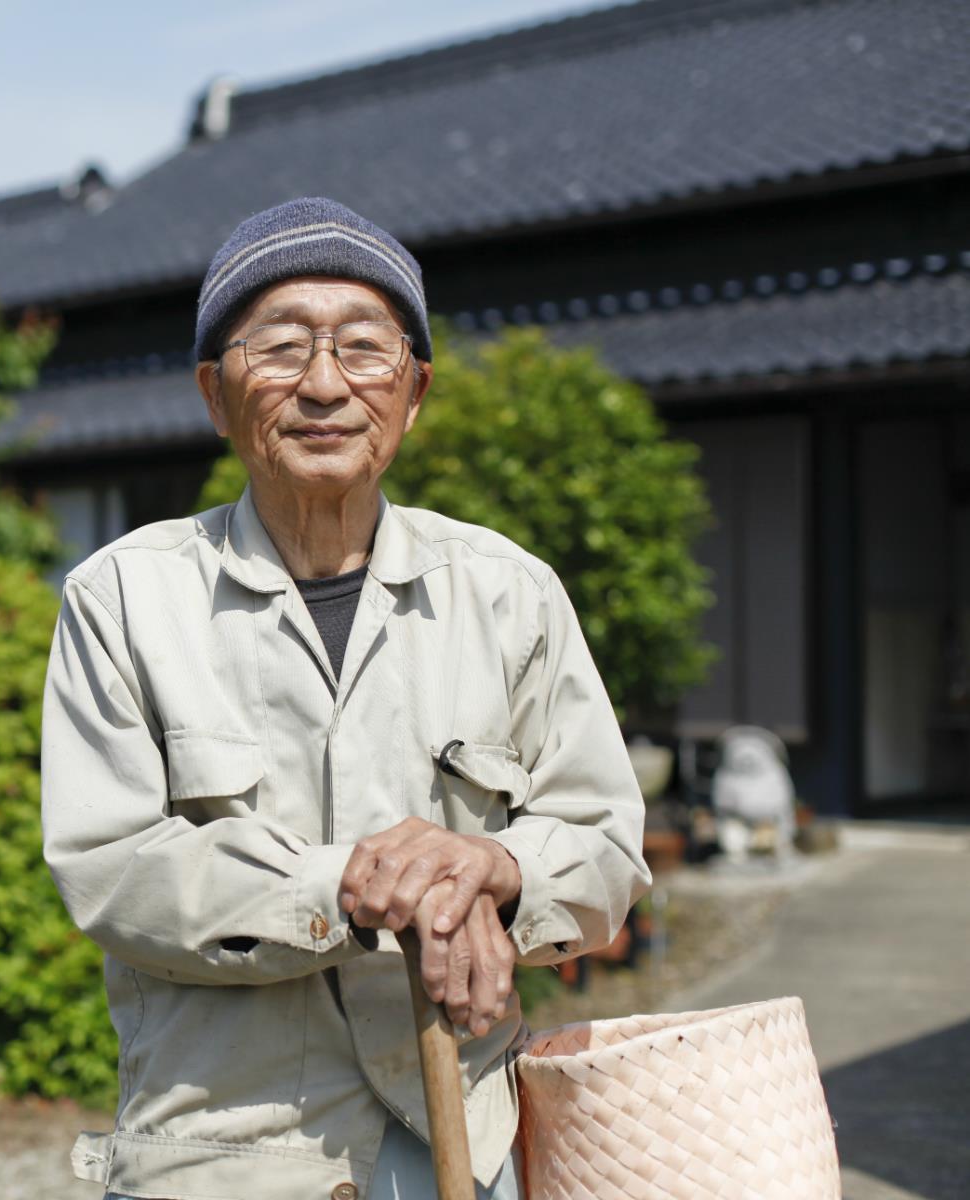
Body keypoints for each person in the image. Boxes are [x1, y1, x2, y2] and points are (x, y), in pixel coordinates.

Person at [41, 197, 649, 1200]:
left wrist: (495, 865)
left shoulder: (508, 592)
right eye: (280, 349)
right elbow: (110, 868)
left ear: (411, 393)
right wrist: (351, 889)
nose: (324, 385)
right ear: (214, 393)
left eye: (364, 351)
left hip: (468, 1141)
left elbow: (605, 840)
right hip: (224, 1157)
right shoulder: (123, 597)